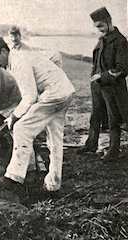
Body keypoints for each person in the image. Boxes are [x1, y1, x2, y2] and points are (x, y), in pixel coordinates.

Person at [0, 37, 75, 192]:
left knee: (21, 128)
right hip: (65, 91)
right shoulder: (20, 57)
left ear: (4, 51)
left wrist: (14, 116)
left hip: (53, 94)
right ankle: (53, 184)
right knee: (54, 139)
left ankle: (13, 178)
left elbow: (30, 97)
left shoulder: (18, 62)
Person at [77, 7, 128, 161]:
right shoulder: (102, 39)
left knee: (114, 119)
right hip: (98, 86)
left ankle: (113, 150)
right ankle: (91, 145)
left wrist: (102, 76)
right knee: (95, 116)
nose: (99, 30)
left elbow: (123, 68)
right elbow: (97, 61)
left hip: (113, 87)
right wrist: (94, 76)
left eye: (100, 26)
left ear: (109, 21)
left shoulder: (120, 41)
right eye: (96, 27)